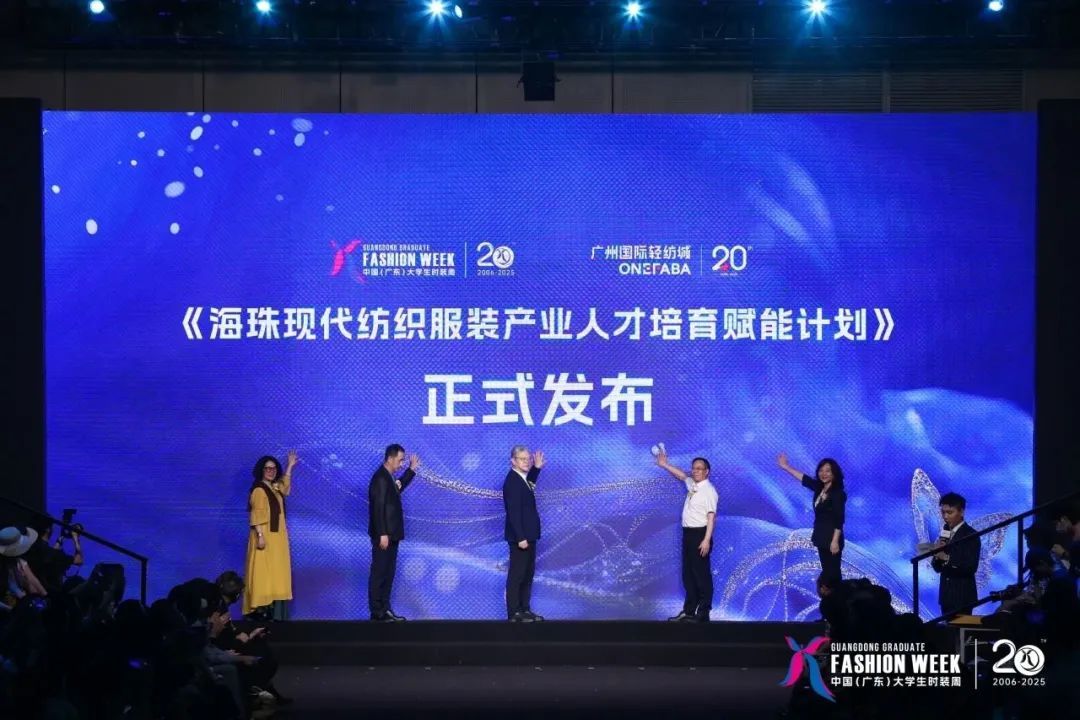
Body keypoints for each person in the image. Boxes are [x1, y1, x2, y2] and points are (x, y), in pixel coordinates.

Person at [656, 449, 718, 622]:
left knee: (701, 575)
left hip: (700, 535)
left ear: (707, 472)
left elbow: (711, 517)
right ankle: (689, 611)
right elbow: (682, 476)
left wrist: (706, 540)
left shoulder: (709, 491)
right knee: (688, 574)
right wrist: (664, 465)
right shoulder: (693, 485)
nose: (695, 471)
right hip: (688, 534)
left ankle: (703, 612)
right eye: (694, 468)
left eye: (699, 468)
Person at [367, 444, 420, 622]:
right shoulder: (380, 478)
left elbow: (398, 487)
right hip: (385, 536)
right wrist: (382, 533)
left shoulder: (388, 477)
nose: (401, 463)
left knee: (388, 573)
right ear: (390, 458)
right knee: (380, 573)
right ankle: (377, 611)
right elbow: (378, 507)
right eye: (400, 460)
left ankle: (385, 609)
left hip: (392, 535)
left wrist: (411, 470)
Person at [243, 450, 298, 620]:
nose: (270, 471)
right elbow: (256, 514)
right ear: (261, 470)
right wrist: (260, 536)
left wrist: (289, 466)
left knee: (277, 572)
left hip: (277, 538)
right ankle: (260, 609)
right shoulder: (259, 490)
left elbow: (285, 488)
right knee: (263, 571)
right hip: (265, 536)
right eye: (267, 468)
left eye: (273, 468)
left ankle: (275, 610)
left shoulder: (274, 487)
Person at [777, 453, 847, 583]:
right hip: (821, 536)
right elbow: (804, 479)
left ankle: (839, 594)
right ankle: (830, 594)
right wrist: (786, 466)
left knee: (833, 574)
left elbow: (839, 519)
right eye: (821, 470)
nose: (824, 474)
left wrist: (835, 541)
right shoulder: (820, 489)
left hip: (832, 538)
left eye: (828, 471)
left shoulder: (838, 494)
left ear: (834, 474)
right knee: (826, 572)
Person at [502, 446, 545, 622]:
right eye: (522, 459)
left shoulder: (522, 478)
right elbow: (513, 512)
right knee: (517, 575)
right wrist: (520, 537)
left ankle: (524, 609)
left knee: (527, 575)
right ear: (513, 461)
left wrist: (536, 469)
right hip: (521, 538)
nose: (526, 462)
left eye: (528, 459)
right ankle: (514, 613)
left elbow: (530, 487)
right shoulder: (512, 481)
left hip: (529, 535)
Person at [930, 492, 981, 616]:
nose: (945, 516)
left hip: (962, 596)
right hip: (946, 595)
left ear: (961, 512)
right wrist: (937, 555)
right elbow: (937, 568)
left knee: (960, 628)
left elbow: (970, 567)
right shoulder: (945, 534)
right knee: (947, 627)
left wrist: (946, 558)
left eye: (950, 512)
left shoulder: (970, 535)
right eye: (943, 512)